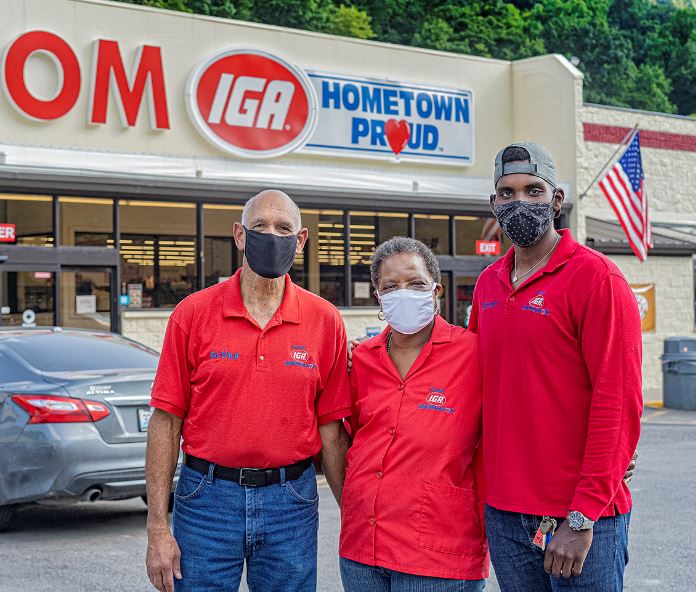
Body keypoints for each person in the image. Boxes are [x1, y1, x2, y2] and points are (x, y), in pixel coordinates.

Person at [144, 190, 352, 592]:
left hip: (291, 502)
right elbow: (166, 423)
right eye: (260, 226)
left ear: (301, 240)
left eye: (283, 228)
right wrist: (157, 529)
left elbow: (331, 431)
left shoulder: (324, 321)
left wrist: (353, 521)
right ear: (239, 235)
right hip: (206, 501)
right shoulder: (192, 314)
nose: (271, 235)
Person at [469, 142, 643, 591]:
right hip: (505, 514)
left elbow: (617, 402)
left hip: (581, 517)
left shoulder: (597, 279)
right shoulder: (488, 283)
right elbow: (468, 375)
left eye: (533, 190)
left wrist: (583, 514)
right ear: (493, 204)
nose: (519, 201)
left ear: (557, 200)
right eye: (506, 193)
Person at [340, 236, 489, 592]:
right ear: (378, 296)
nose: (403, 292)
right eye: (391, 286)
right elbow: (357, 436)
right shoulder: (361, 359)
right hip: (364, 548)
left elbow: (525, 415)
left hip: (438, 553)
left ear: (436, 290)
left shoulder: (474, 354)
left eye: (416, 283)